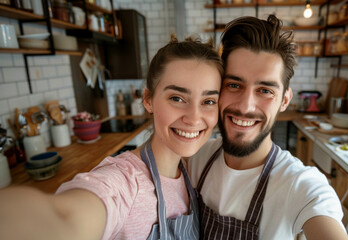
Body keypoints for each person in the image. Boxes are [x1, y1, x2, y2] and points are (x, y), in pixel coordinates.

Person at [0, 35, 223, 240]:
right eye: (177, 98)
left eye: (209, 101)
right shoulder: (124, 183)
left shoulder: (193, 170)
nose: (194, 119)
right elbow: (63, 219)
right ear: (148, 99)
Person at [187, 15, 348, 239]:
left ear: (284, 100)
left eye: (265, 90)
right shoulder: (195, 157)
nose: (246, 106)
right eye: (234, 85)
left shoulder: (300, 186)